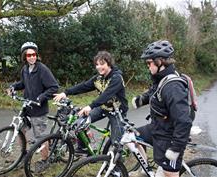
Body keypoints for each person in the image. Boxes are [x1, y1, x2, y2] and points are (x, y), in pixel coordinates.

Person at [132, 40, 193, 177]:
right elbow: (155, 92)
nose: (148, 66)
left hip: (169, 137)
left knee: (168, 174)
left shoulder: (173, 87)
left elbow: (184, 121)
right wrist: (142, 99)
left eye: (149, 63)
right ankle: (144, 168)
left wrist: (175, 148)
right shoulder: (161, 78)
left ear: (160, 61)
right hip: (158, 127)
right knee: (131, 136)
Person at [53, 51, 128, 153]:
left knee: (116, 143)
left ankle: (117, 167)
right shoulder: (98, 78)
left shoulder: (116, 78)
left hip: (117, 111)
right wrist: (66, 93)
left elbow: (107, 95)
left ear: (109, 64)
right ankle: (84, 148)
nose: (98, 67)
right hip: (103, 107)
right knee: (80, 121)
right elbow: (84, 86)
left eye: (102, 64)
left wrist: (90, 106)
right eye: (97, 64)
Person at [7, 42, 59, 171]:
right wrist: (13, 87)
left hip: (39, 108)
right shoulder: (25, 69)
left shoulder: (42, 69)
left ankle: (45, 160)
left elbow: (53, 87)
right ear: (24, 56)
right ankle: (23, 156)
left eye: (34, 54)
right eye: (29, 55)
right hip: (27, 107)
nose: (32, 57)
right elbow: (23, 83)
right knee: (20, 130)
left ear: (37, 55)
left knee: (40, 137)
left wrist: (41, 97)